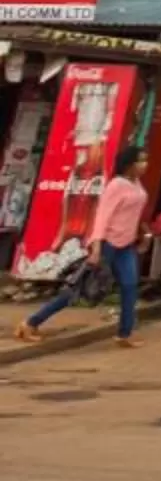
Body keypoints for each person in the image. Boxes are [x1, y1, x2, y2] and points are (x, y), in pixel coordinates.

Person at [13, 148, 146, 348]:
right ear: (129, 163)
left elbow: (134, 213)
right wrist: (96, 248)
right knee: (78, 290)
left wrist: (144, 233)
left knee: (130, 286)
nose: (145, 164)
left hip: (126, 245)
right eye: (141, 160)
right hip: (107, 244)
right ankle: (31, 322)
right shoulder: (116, 185)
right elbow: (102, 217)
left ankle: (124, 333)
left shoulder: (136, 184)